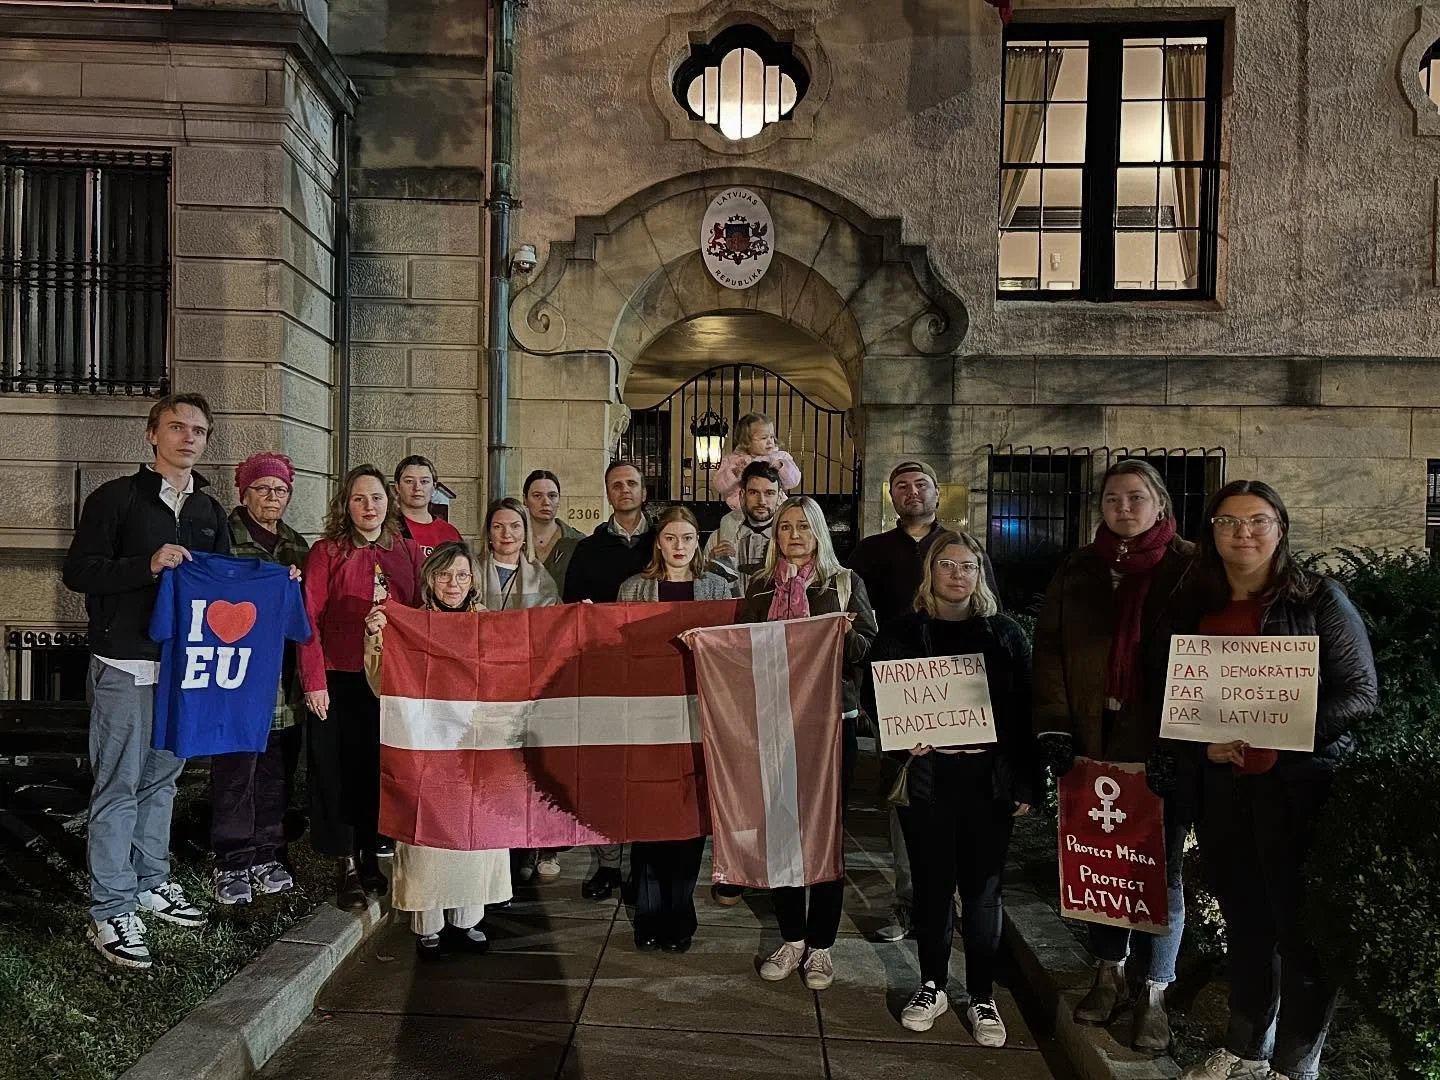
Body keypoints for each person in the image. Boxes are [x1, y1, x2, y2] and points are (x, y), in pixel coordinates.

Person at [1174, 481, 1375, 1080]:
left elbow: (1360, 695)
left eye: (1257, 521)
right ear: (1211, 532)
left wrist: (1284, 730)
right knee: (1244, 920)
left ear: (1281, 528)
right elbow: (1179, 702)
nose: (1243, 534)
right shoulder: (1197, 606)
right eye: (1229, 522)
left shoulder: (1318, 600)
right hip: (1224, 792)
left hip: (1297, 790)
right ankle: (1244, 1048)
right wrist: (1199, 744)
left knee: (1300, 928)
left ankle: (1294, 1064)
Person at [1032, 459, 1197, 1047]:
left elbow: (1204, 661)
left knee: (1161, 869)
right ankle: (1108, 971)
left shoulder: (1190, 567)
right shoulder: (1080, 568)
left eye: (1134, 498)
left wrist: (1180, 741)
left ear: (1159, 502)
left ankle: (1154, 990)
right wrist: (1054, 726)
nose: (1122, 509)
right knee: (1100, 861)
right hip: (1091, 738)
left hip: (1158, 746)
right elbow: (1049, 651)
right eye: (1111, 500)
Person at [63, 393, 227, 969]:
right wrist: (147, 565)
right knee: (118, 785)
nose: (189, 437)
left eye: (199, 430)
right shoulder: (116, 498)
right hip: (126, 664)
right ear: (151, 434)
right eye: (177, 427)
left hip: (184, 668)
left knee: (163, 779)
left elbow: (225, 585)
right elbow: (78, 572)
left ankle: (149, 880)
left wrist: (274, 578)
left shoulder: (209, 510)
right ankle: (111, 907)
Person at [870, 531, 1036, 1047]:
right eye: (948, 564)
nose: (958, 574)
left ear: (979, 573)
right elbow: (878, 701)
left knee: (984, 893)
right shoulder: (902, 633)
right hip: (930, 780)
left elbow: (1027, 711)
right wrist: (902, 741)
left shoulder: (1005, 634)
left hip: (988, 782)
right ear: (932, 572)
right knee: (933, 887)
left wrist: (1028, 781)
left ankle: (982, 995)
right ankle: (932, 984)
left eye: (968, 565)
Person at [847, 459, 1000, 944]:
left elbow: (992, 617)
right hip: (904, 699)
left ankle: (952, 902)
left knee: (961, 806)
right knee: (905, 806)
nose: (911, 492)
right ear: (891, 497)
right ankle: (909, 904)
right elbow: (859, 626)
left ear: (938, 493)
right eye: (901, 486)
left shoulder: (962, 548)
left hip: (960, 696)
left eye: (920, 484)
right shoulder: (870, 552)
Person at [738, 496, 877, 991]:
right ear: (775, 537)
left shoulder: (842, 584)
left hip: (829, 724)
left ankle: (821, 945)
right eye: (786, 527)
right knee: (781, 830)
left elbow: (867, 646)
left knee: (824, 834)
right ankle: (791, 936)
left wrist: (842, 634)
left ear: (819, 533)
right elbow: (739, 648)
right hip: (773, 723)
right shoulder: (757, 588)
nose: (794, 535)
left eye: (804, 527)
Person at [364, 541, 511, 957]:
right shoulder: (409, 623)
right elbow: (380, 685)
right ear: (430, 579)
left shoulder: (489, 625)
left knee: (473, 832)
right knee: (427, 833)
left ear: (473, 581)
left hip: (474, 746)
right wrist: (376, 638)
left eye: (462, 575)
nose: (454, 583)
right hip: (423, 746)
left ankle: (468, 920)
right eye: (445, 575)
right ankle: (427, 923)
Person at [298, 464, 424, 910]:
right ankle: (346, 864)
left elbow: (421, 613)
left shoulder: (407, 553)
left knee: (377, 768)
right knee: (337, 770)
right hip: (340, 676)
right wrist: (314, 680)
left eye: (376, 498)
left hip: (390, 680)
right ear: (345, 505)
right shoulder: (327, 552)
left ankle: (372, 853)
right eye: (359, 498)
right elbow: (307, 620)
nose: (369, 507)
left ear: (389, 502)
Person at [617, 506, 731, 951]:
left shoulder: (719, 588)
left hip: (700, 715)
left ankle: (680, 912)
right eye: (670, 538)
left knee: (688, 816)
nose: (679, 546)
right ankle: (648, 915)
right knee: (648, 814)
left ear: (696, 542)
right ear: (658, 542)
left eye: (687, 538)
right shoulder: (633, 588)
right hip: (648, 717)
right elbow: (617, 647)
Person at [212, 452, 311, 905]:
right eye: (263, 489)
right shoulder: (222, 535)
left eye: (281, 490)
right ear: (244, 492)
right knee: (236, 773)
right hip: (236, 683)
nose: (273, 497)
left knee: (276, 773)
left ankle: (268, 853)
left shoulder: (296, 545)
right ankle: (232, 860)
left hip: (284, 681)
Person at [562, 461, 656, 900]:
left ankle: (641, 868)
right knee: (604, 773)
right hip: (604, 673)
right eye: (616, 485)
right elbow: (570, 612)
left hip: (654, 677)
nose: (625, 490)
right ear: (607, 492)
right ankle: (606, 864)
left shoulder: (666, 540)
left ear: (643, 488)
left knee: (645, 774)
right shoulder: (588, 549)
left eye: (632, 483)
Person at [477, 496, 563, 884]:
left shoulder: (540, 576)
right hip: (480, 687)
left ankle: (525, 848)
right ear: (488, 532)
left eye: (514, 526)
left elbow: (552, 625)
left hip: (524, 687)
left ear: (525, 533)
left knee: (523, 770)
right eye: (499, 526)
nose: (506, 533)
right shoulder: (471, 571)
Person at [702, 460, 782, 597]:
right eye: (753, 493)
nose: (762, 501)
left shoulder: (787, 538)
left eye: (769, 493)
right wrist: (711, 567)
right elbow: (704, 587)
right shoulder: (718, 538)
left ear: (779, 497)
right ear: (742, 496)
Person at [714, 411, 801, 512]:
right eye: (764, 438)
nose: (770, 442)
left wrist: (781, 466)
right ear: (746, 441)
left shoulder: (779, 457)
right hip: (743, 510)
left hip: (774, 508)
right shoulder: (734, 460)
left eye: (772, 437)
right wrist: (734, 473)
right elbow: (720, 486)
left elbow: (794, 481)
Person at [523, 469, 585, 593]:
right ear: (525, 499)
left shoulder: (578, 543)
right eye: (537, 496)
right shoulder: (512, 540)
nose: (546, 502)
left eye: (552, 496)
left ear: (559, 500)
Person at [393, 455, 462, 556]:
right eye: (409, 481)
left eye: (424, 481)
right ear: (397, 486)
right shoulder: (386, 529)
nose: (417, 487)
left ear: (434, 487)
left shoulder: (450, 533)